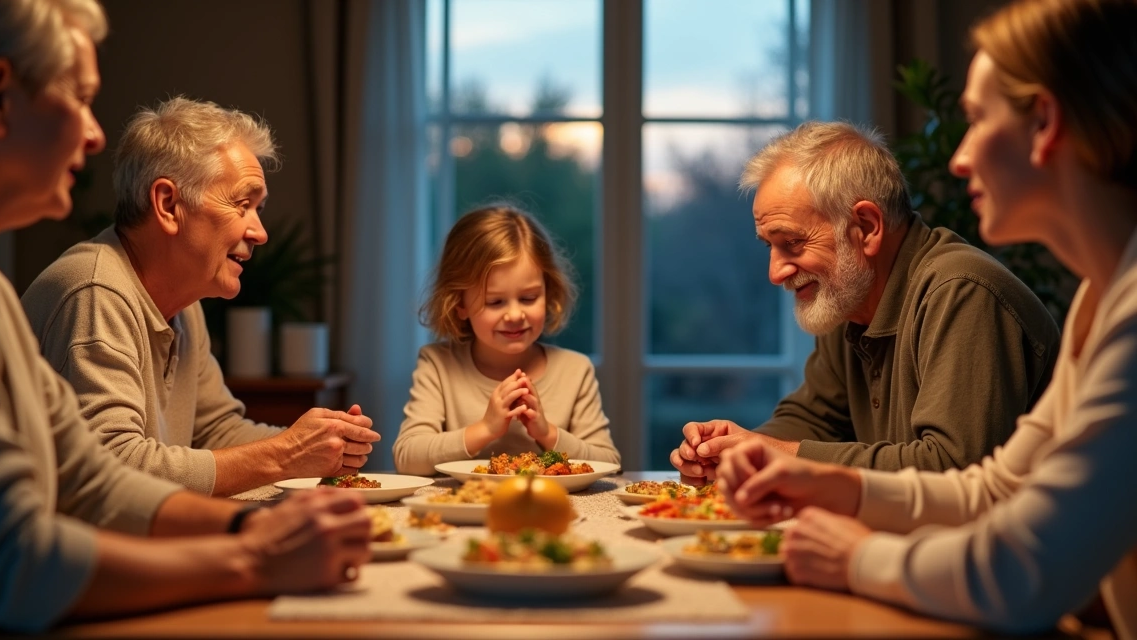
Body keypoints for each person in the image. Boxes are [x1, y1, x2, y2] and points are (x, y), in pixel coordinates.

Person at [0, 0, 370, 635]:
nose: (95, 132)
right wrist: (251, 558)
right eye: (77, 98)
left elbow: (90, 478)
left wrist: (254, 523)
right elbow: (4, 561)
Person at [716, 0, 1137, 634]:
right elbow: (992, 490)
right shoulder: (1099, 299)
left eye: (975, 120)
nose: (959, 157)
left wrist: (858, 557)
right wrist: (811, 478)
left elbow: (1024, 570)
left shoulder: (994, 293)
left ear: (1045, 122)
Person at [20, 97, 379, 497]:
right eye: (243, 204)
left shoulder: (184, 305)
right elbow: (112, 470)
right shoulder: (95, 292)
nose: (260, 232)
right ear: (168, 205)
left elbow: (215, 431)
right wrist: (287, 454)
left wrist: (320, 444)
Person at [670, 121, 1060, 479]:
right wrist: (732, 451)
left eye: (791, 243)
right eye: (770, 246)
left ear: (867, 228)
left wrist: (779, 454)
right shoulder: (850, 295)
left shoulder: (963, 292)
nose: (775, 273)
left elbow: (953, 469)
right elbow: (812, 419)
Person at [393, 205, 621, 476]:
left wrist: (547, 433)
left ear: (549, 292)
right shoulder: (438, 365)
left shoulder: (575, 370)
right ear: (459, 304)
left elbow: (609, 463)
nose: (515, 314)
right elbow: (408, 458)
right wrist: (486, 429)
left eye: (528, 298)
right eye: (495, 302)